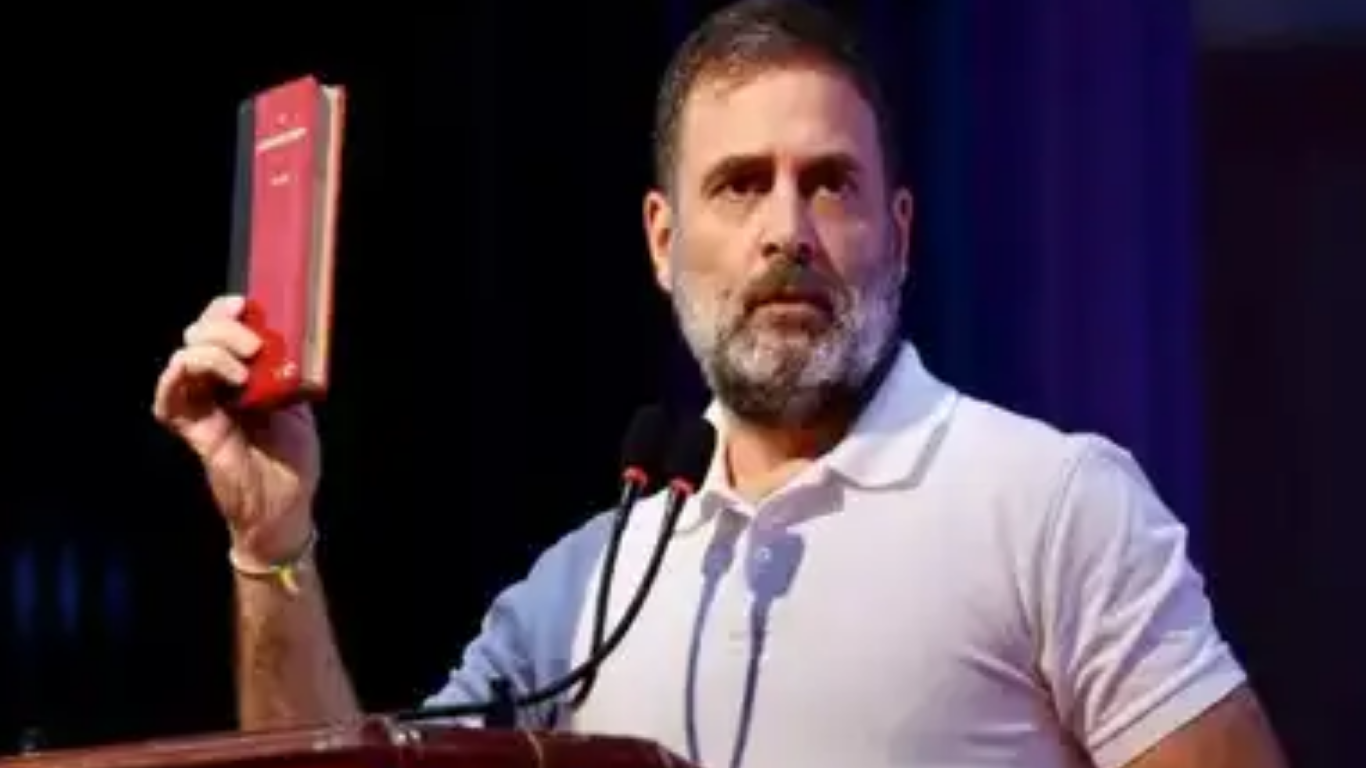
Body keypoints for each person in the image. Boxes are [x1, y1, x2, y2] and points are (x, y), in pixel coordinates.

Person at [152, 1, 1288, 766]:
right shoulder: (582, 595)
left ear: (899, 235)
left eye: (830, 184)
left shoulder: (1053, 505)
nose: (788, 230)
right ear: (661, 241)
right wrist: (272, 545)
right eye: (741, 185)